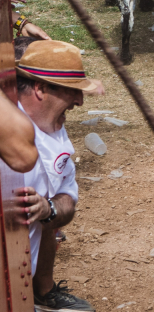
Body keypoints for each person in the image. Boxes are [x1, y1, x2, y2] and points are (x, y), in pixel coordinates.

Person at [14, 40, 104, 312]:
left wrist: (48, 209)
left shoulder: (54, 128)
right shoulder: (9, 123)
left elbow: (67, 199)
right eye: (71, 91)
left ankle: (42, 293)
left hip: (18, 284)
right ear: (40, 89)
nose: (79, 101)